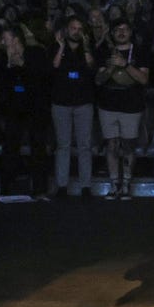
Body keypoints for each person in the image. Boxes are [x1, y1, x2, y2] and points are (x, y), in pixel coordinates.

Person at [95, 20, 150, 200]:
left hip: (131, 106)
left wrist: (125, 64)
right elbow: (99, 79)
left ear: (130, 32)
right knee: (111, 144)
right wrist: (112, 66)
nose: (121, 32)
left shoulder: (140, 51)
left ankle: (126, 183)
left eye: (125, 29)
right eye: (117, 30)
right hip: (108, 105)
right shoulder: (104, 51)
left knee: (128, 145)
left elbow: (143, 79)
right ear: (112, 33)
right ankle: (113, 184)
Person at [0, 26, 51, 197]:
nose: (3, 42)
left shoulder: (35, 53)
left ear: (16, 39)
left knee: (38, 148)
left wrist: (22, 65)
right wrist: (9, 65)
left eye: (5, 38)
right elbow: (1, 84)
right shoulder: (2, 57)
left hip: (35, 107)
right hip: (14, 109)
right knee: (10, 147)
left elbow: (42, 79)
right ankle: (7, 188)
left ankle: (40, 189)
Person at [50, 16, 97, 198]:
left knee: (85, 145)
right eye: (73, 28)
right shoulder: (56, 47)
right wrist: (61, 46)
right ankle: (62, 186)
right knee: (63, 145)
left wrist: (86, 47)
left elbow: (92, 67)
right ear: (66, 29)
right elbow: (54, 67)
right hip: (61, 103)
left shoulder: (87, 48)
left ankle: (86, 186)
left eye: (79, 28)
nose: (76, 31)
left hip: (83, 102)